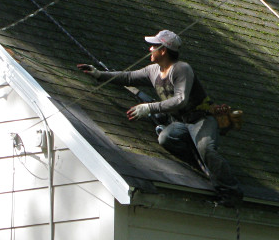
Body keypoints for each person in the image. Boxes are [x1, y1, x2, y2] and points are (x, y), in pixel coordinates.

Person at [79, 29, 243, 204]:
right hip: (180, 122)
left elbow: (180, 100)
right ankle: (207, 166)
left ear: (163, 50)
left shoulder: (181, 69)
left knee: (207, 149)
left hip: (201, 119)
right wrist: (99, 75)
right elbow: (128, 77)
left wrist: (149, 108)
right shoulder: (153, 70)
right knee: (166, 138)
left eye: (154, 46)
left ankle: (231, 192)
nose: (150, 49)